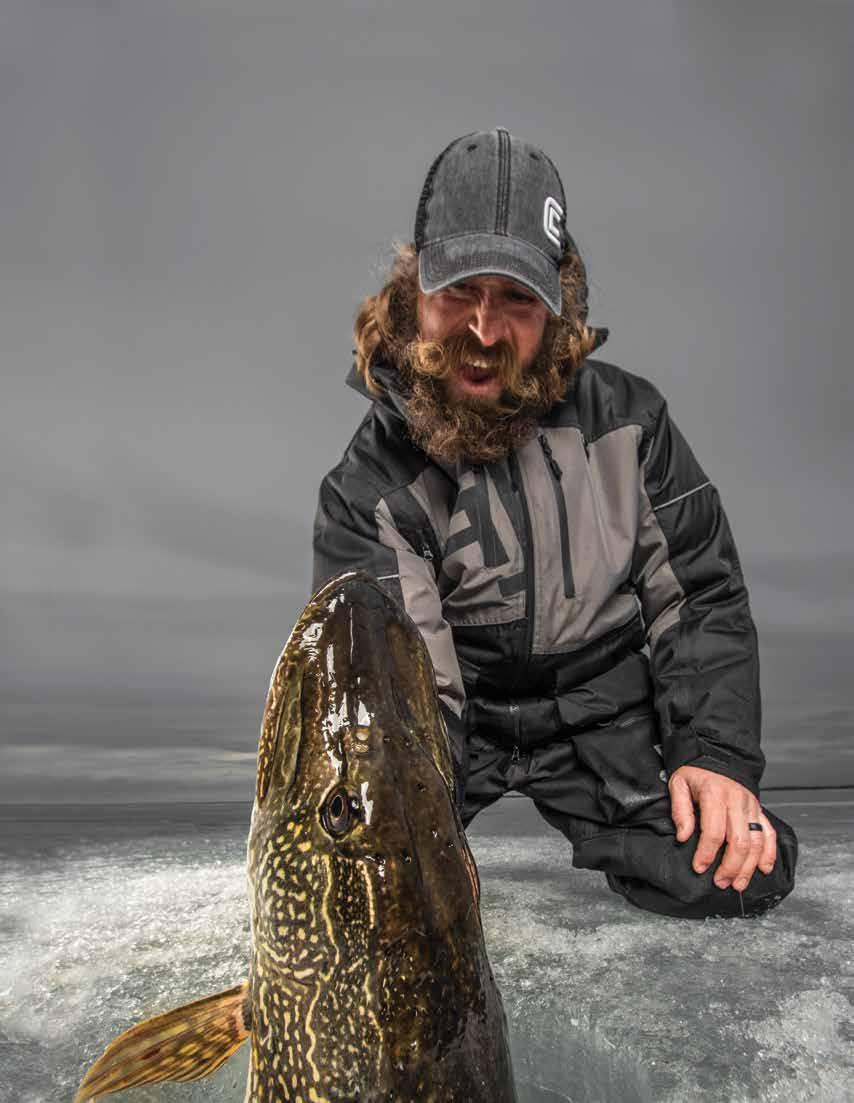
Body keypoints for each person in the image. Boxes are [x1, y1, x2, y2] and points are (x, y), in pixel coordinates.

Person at [312, 127, 797, 919]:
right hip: (455, 719)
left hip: (599, 708)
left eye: (516, 299)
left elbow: (701, 595)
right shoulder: (366, 491)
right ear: (412, 290)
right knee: (373, 899)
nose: (484, 331)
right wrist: (407, 828)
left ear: (558, 306)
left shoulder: (632, 423)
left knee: (739, 869)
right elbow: (398, 686)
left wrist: (715, 753)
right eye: (459, 291)